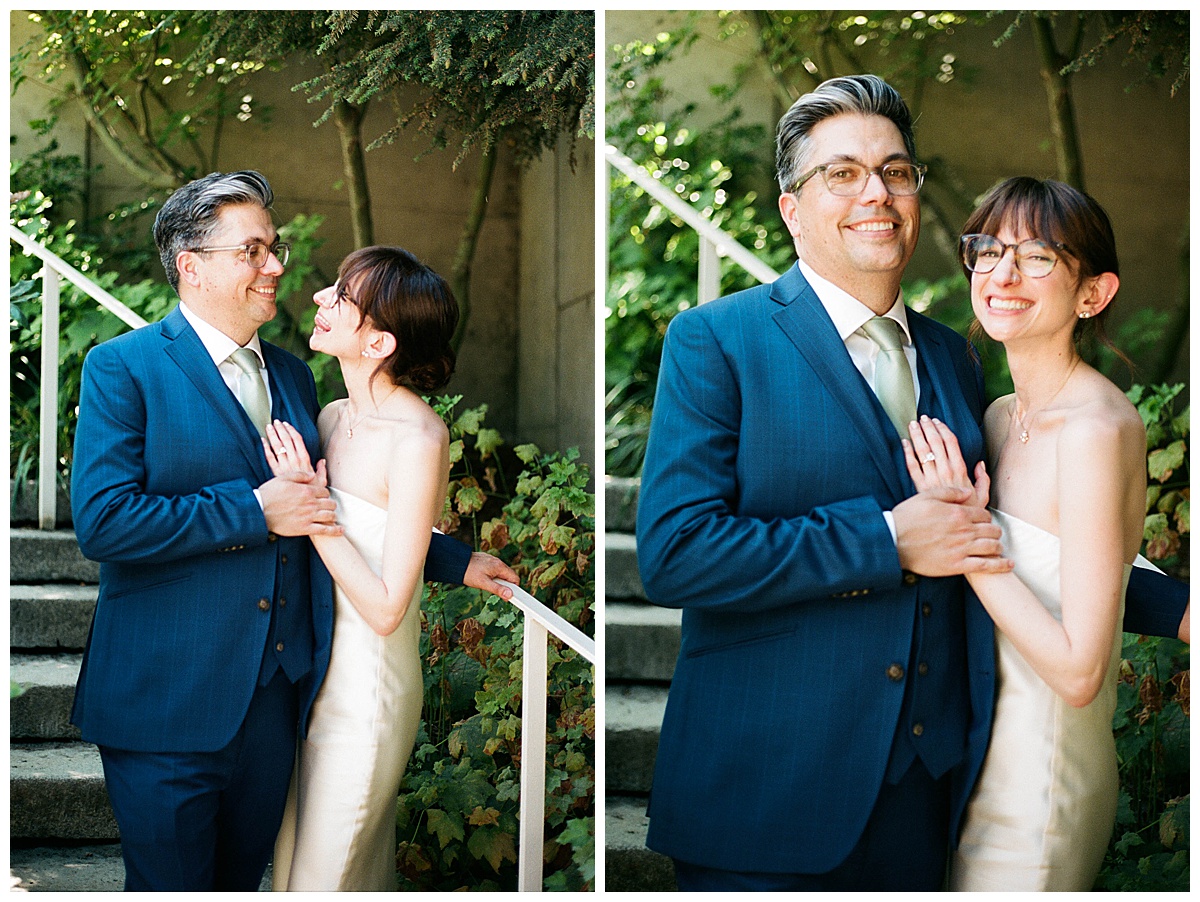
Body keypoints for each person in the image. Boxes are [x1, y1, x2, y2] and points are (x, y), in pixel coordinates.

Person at [634, 74, 1187, 891]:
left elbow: (1020, 534)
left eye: (896, 171)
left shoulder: (959, 358)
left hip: (932, 795)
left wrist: (1175, 610)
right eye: (843, 173)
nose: (877, 193)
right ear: (792, 208)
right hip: (768, 789)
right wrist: (888, 540)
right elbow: (675, 552)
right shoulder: (716, 340)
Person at [69, 171, 516, 891]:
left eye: (272, 248)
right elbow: (104, 521)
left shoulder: (297, 378)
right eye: (253, 251)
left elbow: (335, 506)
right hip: (165, 702)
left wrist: (451, 557)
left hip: (278, 701)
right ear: (193, 265)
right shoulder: (123, 369)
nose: (276, 266)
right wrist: (253, 508)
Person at [902, 176, 1182, 890]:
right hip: (973, 758)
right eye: (988, 249)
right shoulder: (997, 416)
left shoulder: (1098, 429)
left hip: (1041, 778)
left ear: (1093, 293)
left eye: (1037, 258)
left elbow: (1082, 671)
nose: (1002, 273)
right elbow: (1078, 563)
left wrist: (968, 535)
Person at [264, 246, 461, 890]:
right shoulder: (330, 416)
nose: (319, 297)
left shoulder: (419, 439)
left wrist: (311, 506)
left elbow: (383, 606)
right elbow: (380, 535)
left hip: (368, 693)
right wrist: (462, 562)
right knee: (298, 866)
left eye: (341, 296)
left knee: (327, 874)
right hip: (315, 675)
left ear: (378, 342)